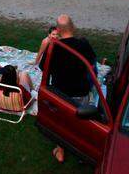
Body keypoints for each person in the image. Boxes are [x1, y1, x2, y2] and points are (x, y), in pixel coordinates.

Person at [42, 15, 99, 162]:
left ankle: (60, 151)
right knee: (81, 122)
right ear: (72, 27)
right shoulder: (83, 44)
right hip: (80, 91)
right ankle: (82, 151)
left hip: (60, 93)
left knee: (61, 122)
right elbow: (92, 62)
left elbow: (44, 67)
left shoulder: (54, 47)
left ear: (58, 30)